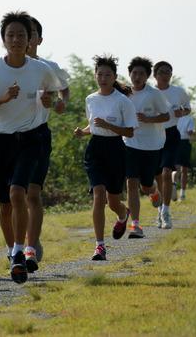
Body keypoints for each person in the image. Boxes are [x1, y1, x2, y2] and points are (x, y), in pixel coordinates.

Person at [0, 11, 60, 284]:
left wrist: (49, 102)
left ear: (30, 39)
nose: (17, 40)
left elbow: (53, 95)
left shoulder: (41, 69)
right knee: (5, 203)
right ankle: (12, 252)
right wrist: (4, 98)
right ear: (3, 40)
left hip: (30, 139)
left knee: (18, 191)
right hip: (0, 141)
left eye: (22, 35)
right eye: (11, 35)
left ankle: (21, 251)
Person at [74, 55, 137, 260]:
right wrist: (83, 132)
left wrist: (109, 126)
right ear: (95, 75)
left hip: (116, 149)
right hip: (95, 150)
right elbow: (93, 125)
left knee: (113, 201)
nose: (103, 78)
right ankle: (99, 246)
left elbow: (129, 132)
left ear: (114, 77)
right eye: (99, 74)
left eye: (107, 74)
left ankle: (122, 214)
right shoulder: (90, 99)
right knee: (98, 194)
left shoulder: (123, 101)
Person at [20, 16, 70, 271]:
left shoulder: (49, 67)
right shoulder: (6, 68)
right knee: (13, 196)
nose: (25, 40)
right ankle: (19, 245)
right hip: (10, 136)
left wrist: (60, 103)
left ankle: (30, 244)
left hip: (38, 134)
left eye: (30, 34)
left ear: (39, 39)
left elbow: (64, 91)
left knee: (33, 193)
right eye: (20, 34)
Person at [123, 57, 169, 239]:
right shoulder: (123, 93)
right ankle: (135, 225)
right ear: (130, 74)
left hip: (152, 145)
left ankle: (155, 192)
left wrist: (149, 119)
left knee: (146, 186)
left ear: (148, 76)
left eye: (141, 73)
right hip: (130, 142)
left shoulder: (154, 94)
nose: (137, 76)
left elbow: (166, 116)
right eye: (134, 73)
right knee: (131, 182)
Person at [153, 61, 191, 229]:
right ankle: (159, 207)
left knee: (167, 172)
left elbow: (188, 108)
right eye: (161, 72)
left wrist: (182, 112)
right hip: (152, 136)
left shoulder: (178, 92)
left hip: (171, 135)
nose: (165, 74)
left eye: (168, 72)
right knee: (155, 177)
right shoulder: (149, 92)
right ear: (155, 75)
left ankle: (166, 212)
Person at [175, 114, 196, 200]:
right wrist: (194, 132)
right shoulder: (189, 118)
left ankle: (173, 188)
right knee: (184, 169)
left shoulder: (174, 117)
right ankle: (182, 193)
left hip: (174, 142)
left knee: (175, 168)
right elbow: (189, 132)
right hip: (184, 144)